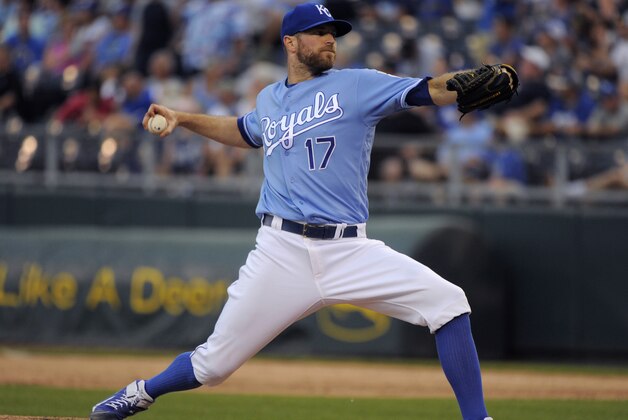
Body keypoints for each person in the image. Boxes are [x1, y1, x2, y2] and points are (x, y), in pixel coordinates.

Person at [90, 4, 510, 420]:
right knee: (213, 366)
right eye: (319, 31)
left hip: (350, 249)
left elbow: (426, 89)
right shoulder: (269, 98)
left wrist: (460, 82)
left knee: (449, 302)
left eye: (333, 32)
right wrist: (183, 118)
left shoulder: (357, 85)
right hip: (281, 249)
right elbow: (243, 130)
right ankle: (140, 393)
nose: (330, 39)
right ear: (291, 42)